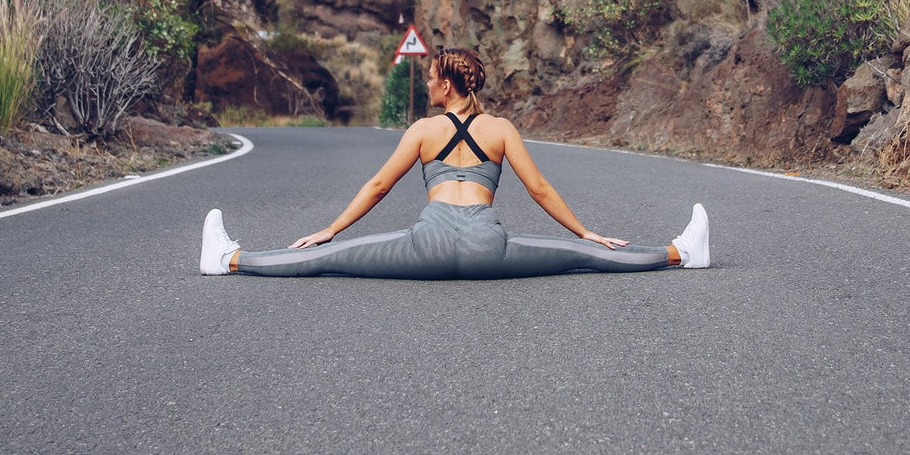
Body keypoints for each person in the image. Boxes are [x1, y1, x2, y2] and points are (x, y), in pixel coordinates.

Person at [200, 46, 710, 279]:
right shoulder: (501, 129)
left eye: (429, 78)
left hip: (427, 246)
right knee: (587, 259)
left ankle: (229, 260)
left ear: (446, 85)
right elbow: (540, 191)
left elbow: (379, 186)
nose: (425, 85)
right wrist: (584, 234)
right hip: (490, 247)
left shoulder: (422, 131)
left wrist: (330, 230)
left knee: (331, 260)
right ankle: (679, 254)